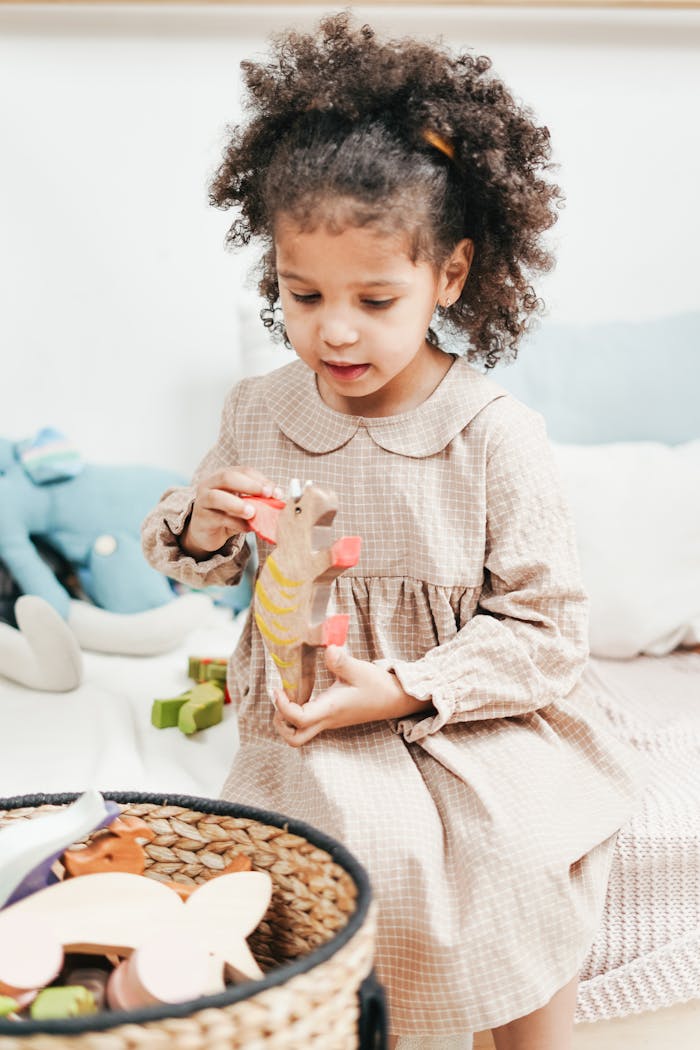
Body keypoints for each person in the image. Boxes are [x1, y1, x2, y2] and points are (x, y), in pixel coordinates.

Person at [142, 14, 642, 1049]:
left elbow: (546, 632)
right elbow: (205, 564)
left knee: (509, 868)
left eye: (375, 299)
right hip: (310, 715)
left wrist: (413, 685)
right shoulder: (259, 411)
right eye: (300, 293)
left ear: (448, 277)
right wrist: (199, 524)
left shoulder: (493, 435)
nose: (332, 328)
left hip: (469, 720)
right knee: (325, 862)